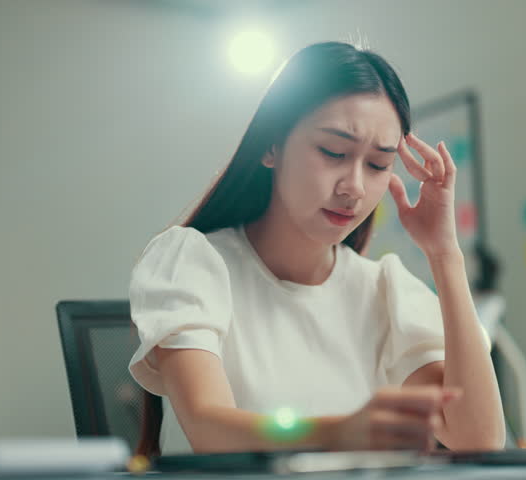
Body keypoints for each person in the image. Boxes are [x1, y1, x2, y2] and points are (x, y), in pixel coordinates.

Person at [128, 41, 505, 457]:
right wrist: (340, 433)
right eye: (333, 152)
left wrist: (444, 253)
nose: (355, 188)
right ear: (272, 144)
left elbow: (479, 440)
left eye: (378, 164)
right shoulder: (193, 261)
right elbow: (208, 427)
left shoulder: (384, 287)